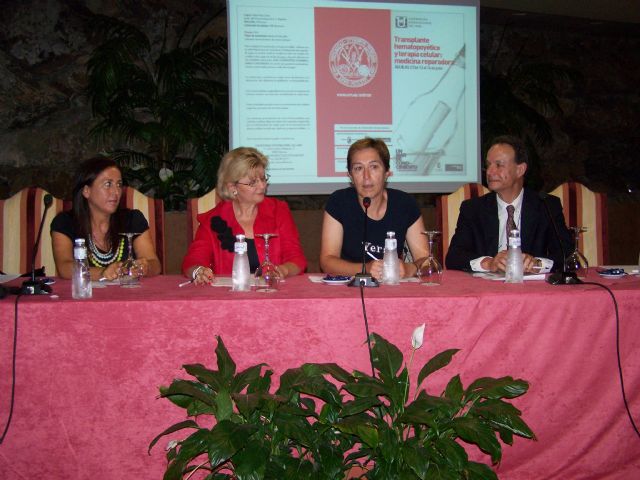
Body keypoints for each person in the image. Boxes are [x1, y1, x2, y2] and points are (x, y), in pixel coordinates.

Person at [445, 135, 572, 273]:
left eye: (498, 165)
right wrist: (489, 263)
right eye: (488, 165)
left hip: (531, 284)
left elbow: (567, 254)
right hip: (486, 284)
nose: (489, 172)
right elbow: (453, 257)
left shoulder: (546, 206)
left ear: (520, 170)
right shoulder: (473, 209)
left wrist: (538, 263)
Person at [182, 147, 306, 284]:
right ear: (232, 187)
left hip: (272, 292)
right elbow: (193, 261)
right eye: (253, 182)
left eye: (263, 179)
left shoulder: (278, 211)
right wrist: (199, 271)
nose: (262, 186)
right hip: (230, 294)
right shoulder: (213, 220)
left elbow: (297, 259)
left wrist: (283, 270)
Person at [320, 137, 428, 279]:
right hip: (351, 286)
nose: (366, 176)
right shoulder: (339, 202)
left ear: (387, 173)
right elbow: (327, 261)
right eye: (358, 168)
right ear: (350, 176)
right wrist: (365, 269)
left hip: (392, 286)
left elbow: (426, 260)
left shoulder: (405, 204)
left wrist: (409, 269)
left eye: (374, 167)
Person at [51, 157, 161, 280]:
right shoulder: (65, 223)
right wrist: (103, 273)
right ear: (86, 191)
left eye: (119, 185)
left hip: (128, 291)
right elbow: (65, 267)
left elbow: (154, 264)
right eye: (108, 184)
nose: (116, 192)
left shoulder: (132, 219)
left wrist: (146, 267)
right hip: (85, 292)